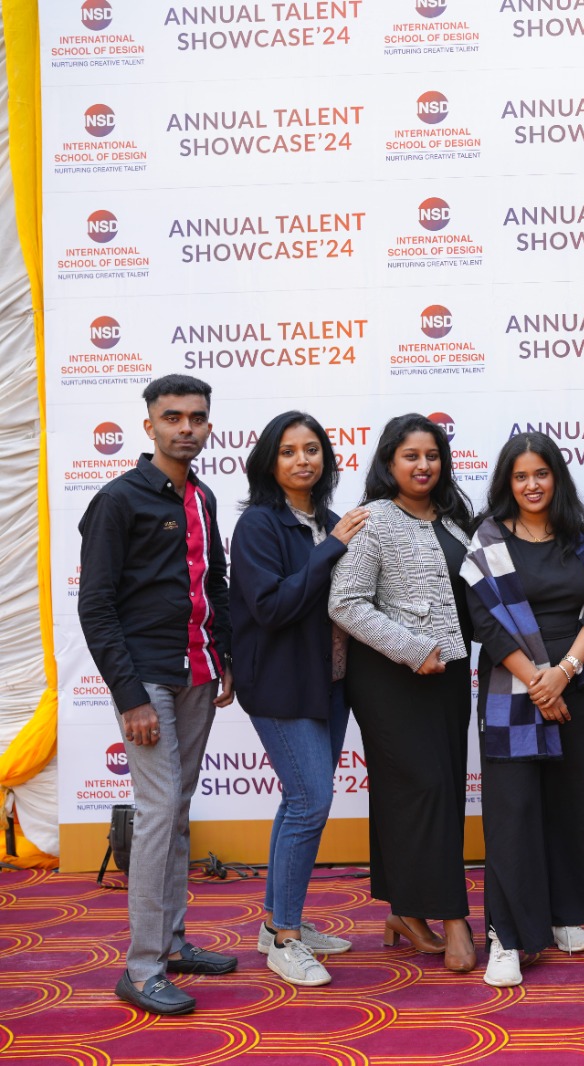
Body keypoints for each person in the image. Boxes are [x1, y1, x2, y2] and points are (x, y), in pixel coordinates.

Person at [78, 374, 235, 1016]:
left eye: (196, 417)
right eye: (172, 417)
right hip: (145, 678)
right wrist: (130, 696)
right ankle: (142, 969)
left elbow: (215, 584)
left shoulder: (204, 496)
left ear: (208, 425)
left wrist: (225, 656)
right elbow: (95, 606)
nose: (185, 428)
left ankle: (170, 943)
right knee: (158, 810)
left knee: (176, 810)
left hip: (197, 670)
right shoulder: (118, 500)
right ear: (149, 426)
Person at [461, 432, 584, 985]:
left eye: (541, 474)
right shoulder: (488, 539)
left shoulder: (582, 538)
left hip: (574, 685)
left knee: (570, 806)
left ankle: (559, 916)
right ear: (508, 482)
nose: (532, 485)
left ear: (556, 478)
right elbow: (484, 624)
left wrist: (562, 674)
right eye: (521, 476)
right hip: (512, 691)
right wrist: (537, 682)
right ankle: (505, 935)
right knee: (513, 815)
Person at [328, 414, 476, 972]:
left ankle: (405, 910)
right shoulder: (372, 521)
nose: (423, 465)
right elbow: (345, 603)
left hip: (450, 675)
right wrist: (412, 649)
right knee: (424, 788)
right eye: (411, 455)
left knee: (434, 792)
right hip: (391, 678)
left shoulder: (456, 520)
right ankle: (453, 918)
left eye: (432, 455)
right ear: (389, 462)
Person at [230, 412, 368, 987]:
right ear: (270, 462)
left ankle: (277, 923)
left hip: (329, 683)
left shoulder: (331, 522)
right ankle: (285, 938)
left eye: (312, 449)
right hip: (280, 685)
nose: (302, 460)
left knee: (298, 802)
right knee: (311, 801)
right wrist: (331, 549)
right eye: (288, 451)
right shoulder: (259, 525)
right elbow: (273, 607)